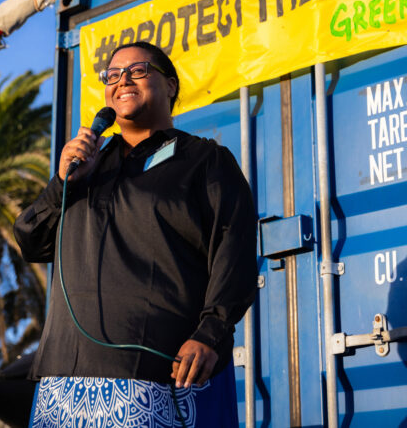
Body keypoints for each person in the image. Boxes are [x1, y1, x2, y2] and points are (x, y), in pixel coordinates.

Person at [13, 41, 258, 427]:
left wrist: (210, 334)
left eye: (138, 70)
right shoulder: (85, 166)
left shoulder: (204, 161)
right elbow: (31, 240)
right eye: (112, 75)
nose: (123, 80)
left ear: (171, 85)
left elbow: (235, 254)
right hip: (62, 381)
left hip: (158, 372)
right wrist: (63, 181)